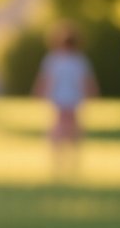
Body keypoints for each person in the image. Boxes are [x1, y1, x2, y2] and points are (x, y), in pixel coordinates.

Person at [34, 21, 97, 177]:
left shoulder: (55, 59)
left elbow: (47, 80)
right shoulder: (77, 60)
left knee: (61, 127)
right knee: (70, 127)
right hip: (71, 97)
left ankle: (61, 158)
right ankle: (69, 158)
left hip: (61, 97)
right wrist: (91, 93)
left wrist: (40, 92)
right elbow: (85, 81)